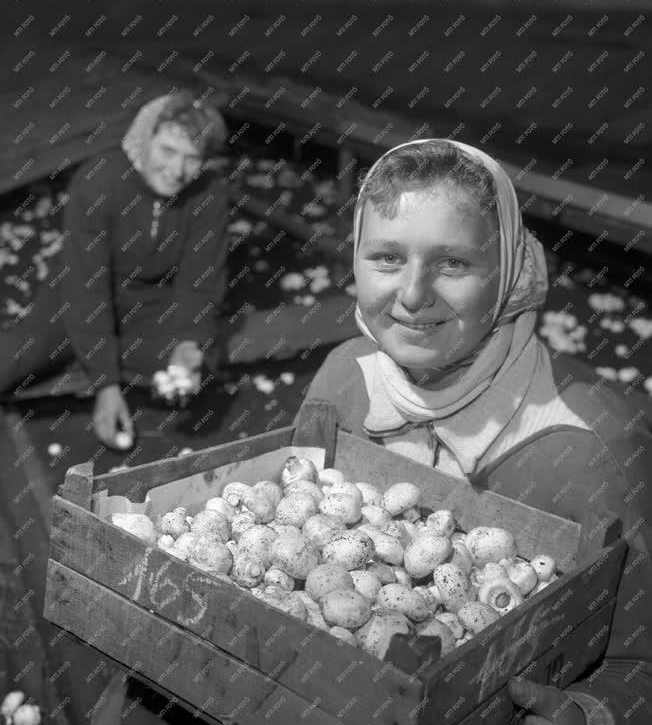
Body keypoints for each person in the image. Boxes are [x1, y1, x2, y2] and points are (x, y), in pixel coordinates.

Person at [298, 139, 652, 724]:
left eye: (453, 263)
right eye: (386, 257)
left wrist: (593, 713)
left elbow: (640, 664)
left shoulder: (588, 447)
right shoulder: (345, 377)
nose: (412, 295)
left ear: (509, 269)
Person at [1, 91, 231, 449]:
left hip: (149, 298)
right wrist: (106, 387)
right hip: (78, 291)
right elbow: (84, 288)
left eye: (192, 158)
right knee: (17, 358)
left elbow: (199, 281)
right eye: (167, 151)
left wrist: (188, 343)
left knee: (196, 364)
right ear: (144, 141)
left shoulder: (209, 194)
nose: (177, 171)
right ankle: (94, 357)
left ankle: (92, 356)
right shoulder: (99, 181)